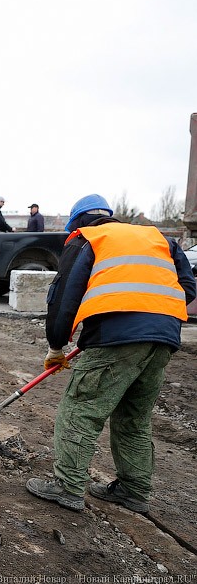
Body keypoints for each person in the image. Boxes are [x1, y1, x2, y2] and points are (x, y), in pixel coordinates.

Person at [26, 194, 196, 512]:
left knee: (81, 410)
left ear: (76, 223)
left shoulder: (87, 239)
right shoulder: (157, 237)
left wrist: (56, 346)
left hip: (115, 339)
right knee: (134, 418)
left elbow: (63, 298)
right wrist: (153, 315)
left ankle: (68, 487)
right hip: (163, 339)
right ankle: (134, 491)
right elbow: (188, 287)